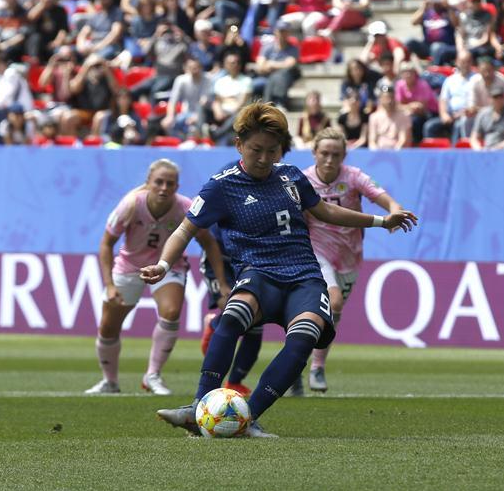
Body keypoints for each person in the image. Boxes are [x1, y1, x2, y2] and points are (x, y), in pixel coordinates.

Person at [150, 102, 417, 437]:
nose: (264, 158)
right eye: (256, 150)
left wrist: (380, 220)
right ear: (239, 146)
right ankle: (198, 405)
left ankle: (249, 419)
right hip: (258, 273)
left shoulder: (291, 176)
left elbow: (326, 212)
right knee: (232, 317)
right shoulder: (222, 185)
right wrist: (163, 263)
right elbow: (185, 230)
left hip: (304, 276)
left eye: (272, 150)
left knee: (304, 339)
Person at [85, 159, 230, 396]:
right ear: (149, 183)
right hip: (130, 266)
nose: (164, 188)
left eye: (170, 184)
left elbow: (209, 244)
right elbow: (106, 244)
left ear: (177, 186)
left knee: (171, 312)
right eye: (159, 182)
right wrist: (109, 285)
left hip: (167, 267)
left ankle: (152, 375)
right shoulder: (131, 204)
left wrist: (222, 283)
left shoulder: (186, 207)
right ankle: (109, 382)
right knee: (108, 327)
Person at [302, 128, 408, 391]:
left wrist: (395, 212)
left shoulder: (353, 177)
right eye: (324, 153)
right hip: (316, 251)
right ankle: (313, 368)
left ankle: (307, 364)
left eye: (335, 155)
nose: (329, 160)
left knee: (332, 312)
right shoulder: (303, 180)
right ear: (314, 153)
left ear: (344, 156)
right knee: (333, 301)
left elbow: (382, 197)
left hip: (350, 254)